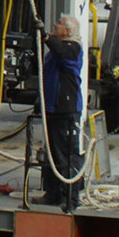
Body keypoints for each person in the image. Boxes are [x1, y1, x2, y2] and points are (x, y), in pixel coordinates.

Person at [41, 17, 86, 210]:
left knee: (67, 155)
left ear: (67, 31)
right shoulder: (58, 48)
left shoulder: (73, 48)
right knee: (51, 153)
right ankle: (53, 193)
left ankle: (70, 199)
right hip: (52, 108)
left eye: (58, 24)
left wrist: (45, 36)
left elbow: (63, 53)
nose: (55, 25)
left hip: (65, 110)